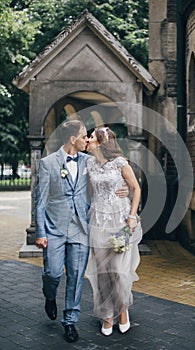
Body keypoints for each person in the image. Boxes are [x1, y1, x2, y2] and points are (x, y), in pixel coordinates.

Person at [35, 120, 128, 343]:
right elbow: (40, 202)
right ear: (72, 139)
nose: (87, 139)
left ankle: (70, 321)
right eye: (83, 136)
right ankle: (49, 296)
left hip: (81, 228)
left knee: (76, 276)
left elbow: (113, 169)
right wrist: (41, 232)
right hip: (54, 228)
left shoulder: (89, 160)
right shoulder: (48, 163)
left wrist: (123, 188)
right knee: (53, 273)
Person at [85, 126, 143, 336]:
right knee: (102, 272)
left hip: (120, 220)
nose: (88, 140)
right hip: (98, 221)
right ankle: (107, 314)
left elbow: (135, 188)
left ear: (101, 142)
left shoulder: (120, 163)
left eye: (91, 137)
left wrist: (132, 216)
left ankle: (123, 310)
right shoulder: (88, 163)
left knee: (118, 271)